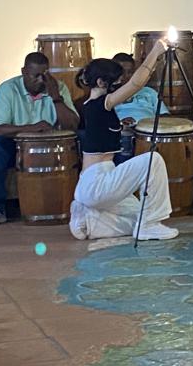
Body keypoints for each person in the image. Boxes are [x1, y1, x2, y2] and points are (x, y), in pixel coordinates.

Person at [69, 40, 178, 242]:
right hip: (97, 182)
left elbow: (103, 133)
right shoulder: (102, 103)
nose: (120, 86)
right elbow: (136, 83)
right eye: (117, 83)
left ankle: (88, 222)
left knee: (139, 213)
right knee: (153, 160)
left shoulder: (98, 108)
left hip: (96, 184)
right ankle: (149, 225)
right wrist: (156, 51)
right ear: (102, 83)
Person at [0, 52, 79, 227]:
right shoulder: (8, 89)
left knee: (82, 141)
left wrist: (56, 97)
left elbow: (73, 125)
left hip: (52, 149)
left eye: (45, 74)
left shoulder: (57, 87)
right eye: (36, 75)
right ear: (24, 72)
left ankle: (74, 205)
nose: (41, 80)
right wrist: (30, 129)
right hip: (18, 148)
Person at [110, 53, 169, 124]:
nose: (125, 76)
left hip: (149, 131)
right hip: (120, 132)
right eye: (121, 72)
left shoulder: (149, 92)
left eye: (130, 72)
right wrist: (119, 123)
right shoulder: (108, 96)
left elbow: (164, 114)